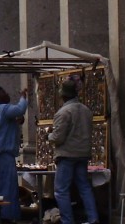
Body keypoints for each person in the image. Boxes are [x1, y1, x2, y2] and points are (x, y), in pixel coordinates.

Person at [48, 80, 100, 224]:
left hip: (67, 155)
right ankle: (93, 218)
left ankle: (67, 220)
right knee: (84, 187)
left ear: (62, 96)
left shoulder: (63, 112)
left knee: (61, 190)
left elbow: (58, 138)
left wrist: (49, 136)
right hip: (83, 154)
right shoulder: (86, 110)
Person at [0, 85, 28, 224]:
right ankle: (6, 216)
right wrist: (23, 97)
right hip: (4, 156)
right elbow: (20, 109)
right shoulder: (4, 108)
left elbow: (7, 124)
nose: (7, 93)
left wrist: (17, 122)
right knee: (7, 187)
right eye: (3, 92)